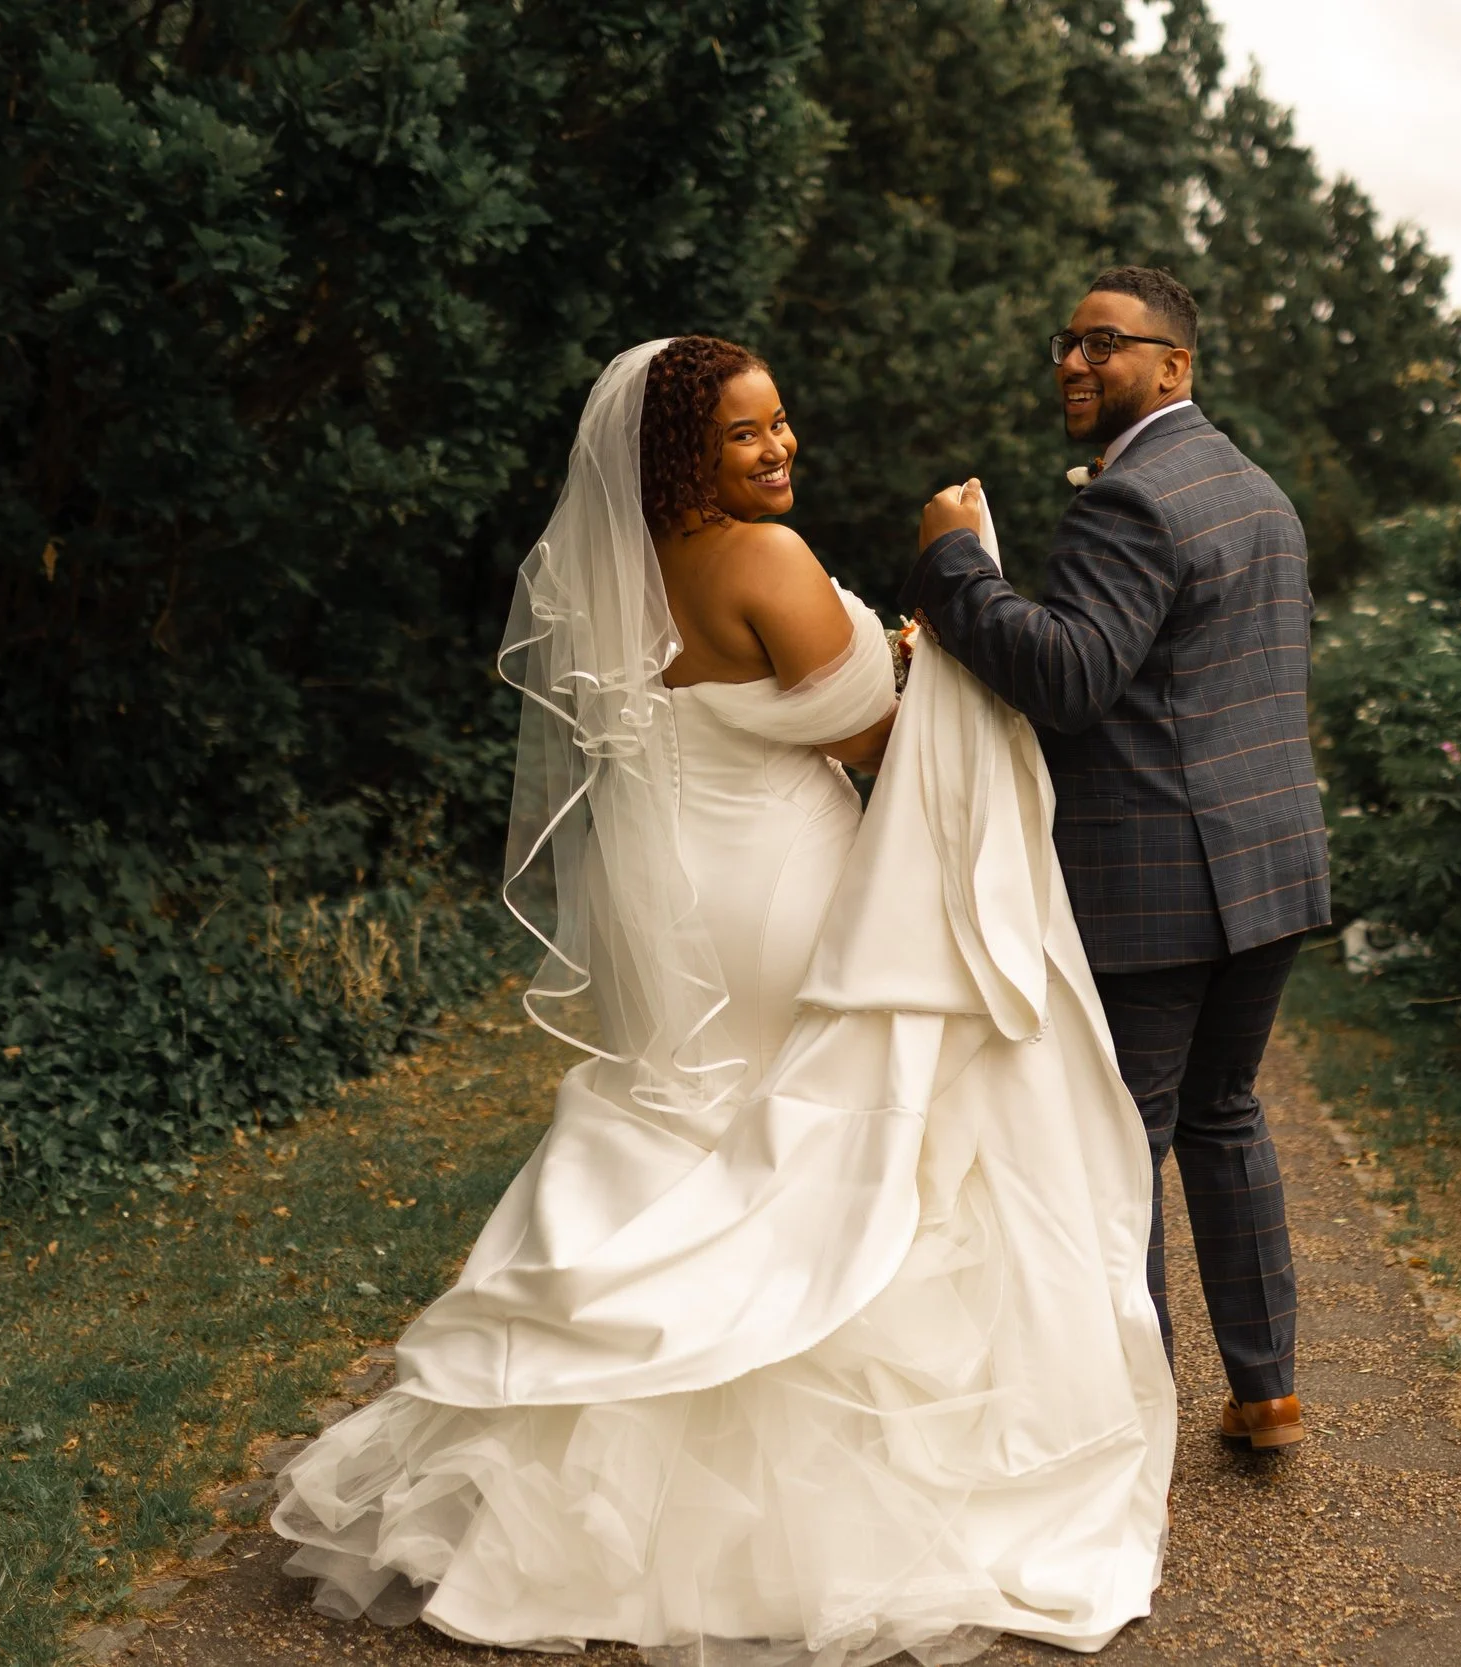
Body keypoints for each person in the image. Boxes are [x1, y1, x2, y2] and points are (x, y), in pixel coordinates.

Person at [272, 336, 1175, 1662]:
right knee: (805, 1148)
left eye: (781, 421)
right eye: (744, 432)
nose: (779, 446)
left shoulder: (622, 567)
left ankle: (593, 1491)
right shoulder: (764, 559)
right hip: (780, 881)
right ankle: (809, 1493)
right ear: (681, 452)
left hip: (678, 882)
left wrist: (890, 656)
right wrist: (936, 621)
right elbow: (868, 735)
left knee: (699, 1133)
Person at [905, 267, 1332, 1452]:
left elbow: (1070, 678)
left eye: (1104, 344)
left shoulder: (1130, 499)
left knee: (1120, 1138)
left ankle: (1131, 1415)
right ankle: (1267, 1390)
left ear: (1172, 365)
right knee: (1223, 1113)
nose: (1074, 362)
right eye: (1068, 341)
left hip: (1155, 877)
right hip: (1269, 864)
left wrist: (956, 567)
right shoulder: (1255, 489)